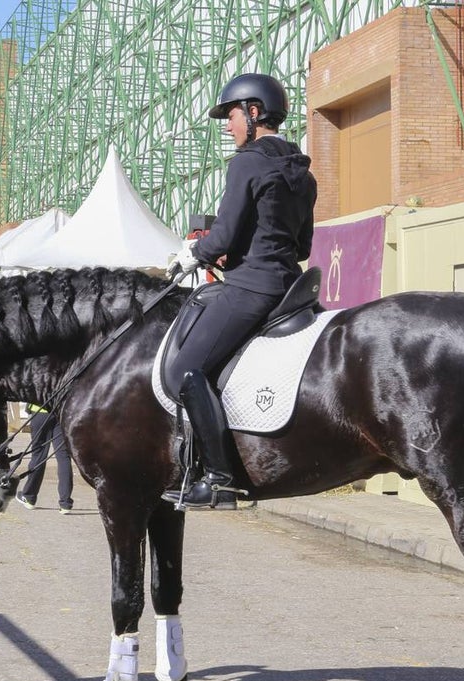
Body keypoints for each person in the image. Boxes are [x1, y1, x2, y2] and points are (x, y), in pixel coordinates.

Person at [162, 73, 317, 509]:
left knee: (185, 369)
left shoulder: (246, 162)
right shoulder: (302, 172)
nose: (227, 127)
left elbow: (225, 234)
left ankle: (219, 477)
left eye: (230, 116)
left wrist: (194, 253)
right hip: (290, 286)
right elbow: (302, 245)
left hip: (252, 288)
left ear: (252, 113)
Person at [15, 404, 74, 514]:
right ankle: (65, 503)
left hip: (40, 412)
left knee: (38, 454)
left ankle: (29, 497)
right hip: (60, 413)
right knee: (63, 457)